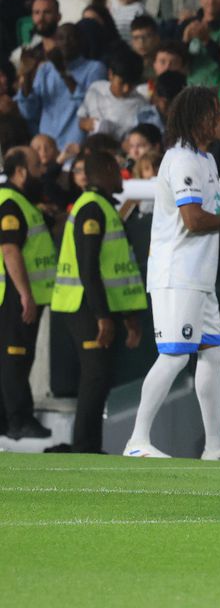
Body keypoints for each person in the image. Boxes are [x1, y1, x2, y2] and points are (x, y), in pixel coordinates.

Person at [123, 87, 220, 460]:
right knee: (175, 356)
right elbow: (192, 221)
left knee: (215, 353)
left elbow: (203, 214)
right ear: (198, 119)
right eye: (216, 113)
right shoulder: (182, 161)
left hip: (199, 276)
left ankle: (215, 445)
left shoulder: (204, 160)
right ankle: (137, 440)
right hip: (177, 275)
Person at [50, 152, 146, 453]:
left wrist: (128, 316)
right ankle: (84, 448)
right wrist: (102, 317)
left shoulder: (102, 206)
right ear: (104, 170)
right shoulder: (92, 209)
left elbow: (114, 268)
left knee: (101, 378)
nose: (121, 177)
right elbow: (88, 268)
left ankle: (89, 447)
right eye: (117, 170)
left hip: (96, 305)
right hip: (85, 306)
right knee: (95, 376)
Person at [0, 147, 56, 440]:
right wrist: (25, 294)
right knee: (15, 358)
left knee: (13, 358)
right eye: (36, 167)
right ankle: (19, 420)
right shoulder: (10, 203)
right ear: (20, 171)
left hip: (14, 293)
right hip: (13, 295)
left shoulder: (19, 201)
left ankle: (8, 420)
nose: (41, 171)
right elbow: (9, 249)